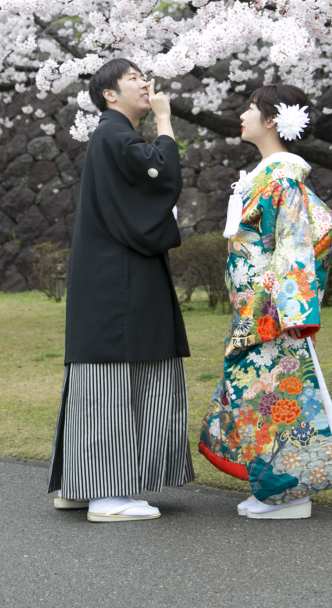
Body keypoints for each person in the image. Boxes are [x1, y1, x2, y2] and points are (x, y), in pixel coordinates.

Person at [198, 84, 332, 519]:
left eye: (251, 108)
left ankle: (289, 494)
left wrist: (291, 309)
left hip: (270, 311)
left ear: (271, 120)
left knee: (274, 397)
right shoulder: (269, 175)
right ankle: (276, 491)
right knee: (260, 396)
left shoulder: (283, 177)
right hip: (258, 308)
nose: (243, 114)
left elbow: (295, 242)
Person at [47, 58, 193, 522]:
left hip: (109, 278)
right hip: (121, 282)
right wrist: (166, 122)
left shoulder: (111, 136)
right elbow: (161, 176)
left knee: (102, 379)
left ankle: (81, 484)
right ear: (109, 94)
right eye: (134, 78)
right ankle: (109, 496)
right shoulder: (115, 135)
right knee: (117, 377)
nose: (145, 84)